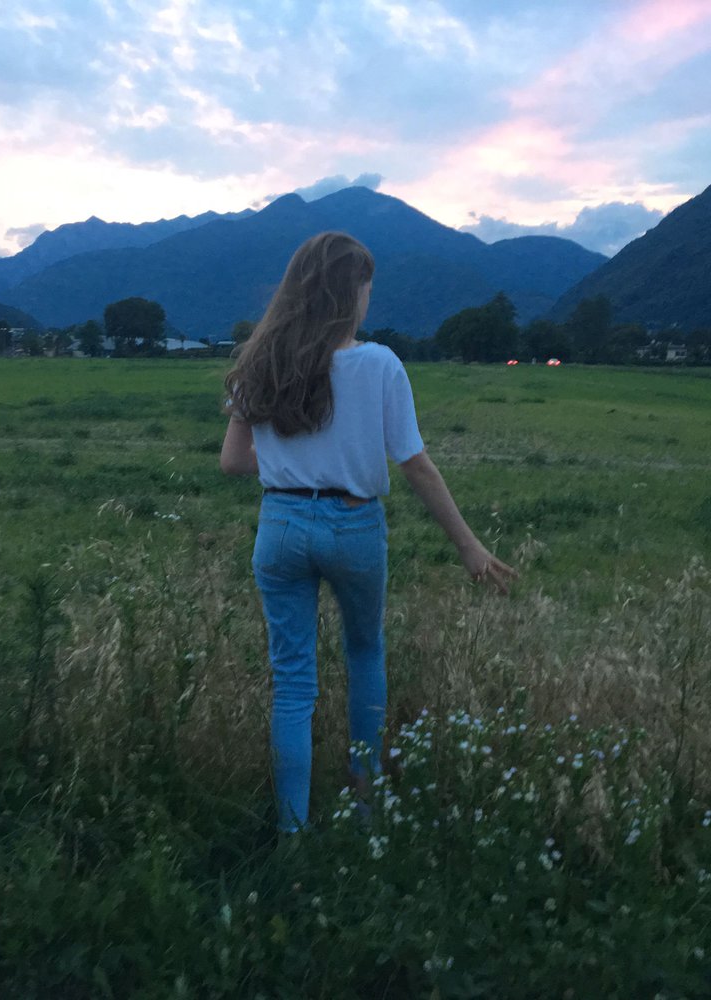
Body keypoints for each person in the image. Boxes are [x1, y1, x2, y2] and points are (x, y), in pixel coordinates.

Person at [220, 231, 517, 835]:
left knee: (292, 683)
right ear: (350, 292)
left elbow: (232, 461)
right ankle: (365, 812)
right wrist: (469, 546)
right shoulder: (380, 364)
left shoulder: (259, 362)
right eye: (366, 287)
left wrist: (292, 464)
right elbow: (415, 465)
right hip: (353, 525)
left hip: (280, 526)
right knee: (364, 653)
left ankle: (292, 834)